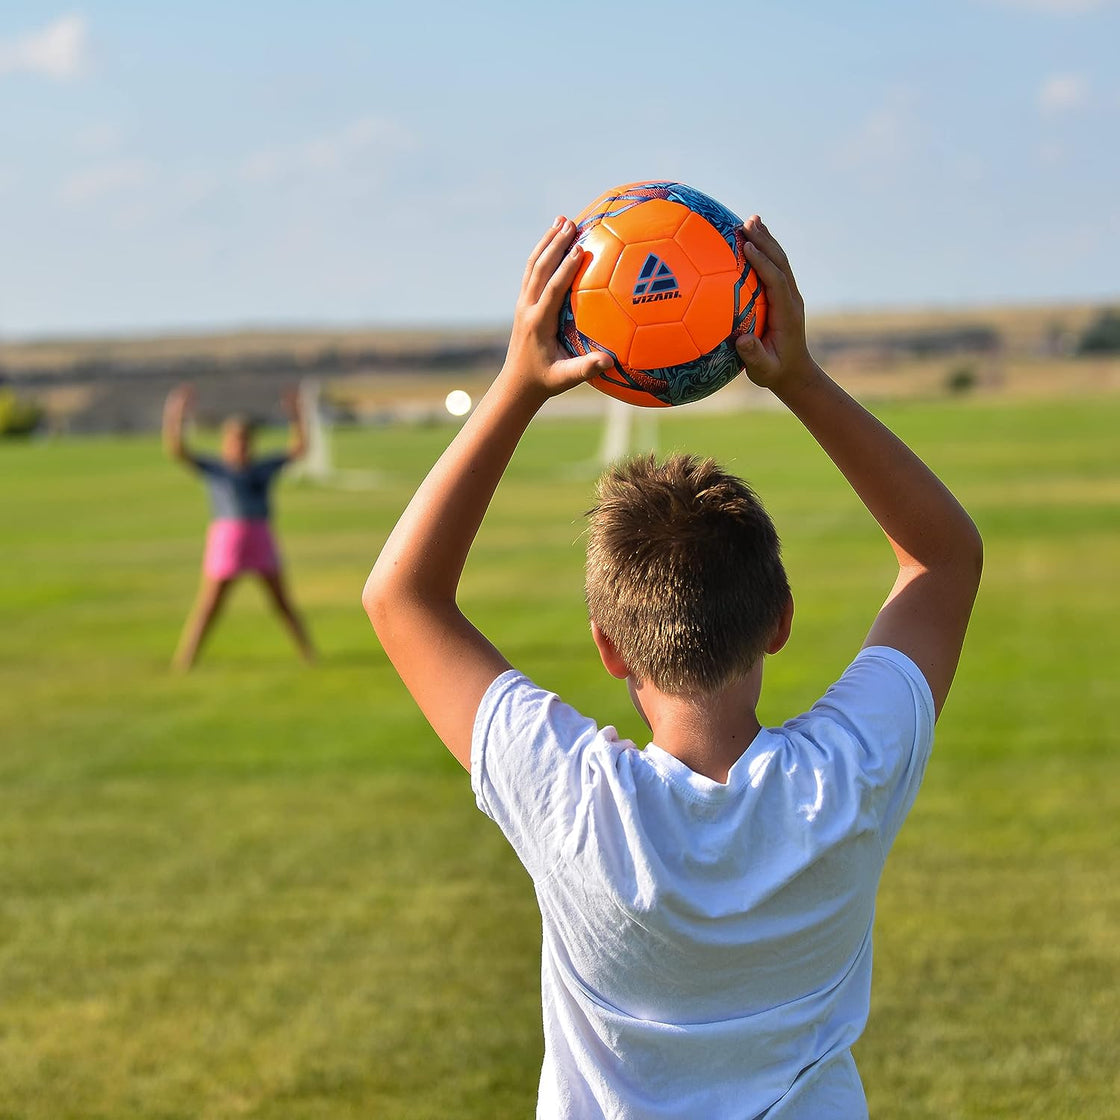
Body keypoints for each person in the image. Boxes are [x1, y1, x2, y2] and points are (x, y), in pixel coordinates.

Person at [362, 215, 982, 1117]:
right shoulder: (847, 780)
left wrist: (517, 386)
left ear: (608, 647)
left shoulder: (574, 804)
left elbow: (401, 597)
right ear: (780, 622)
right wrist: (798, 376)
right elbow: (943, 560)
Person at [164, 384, 315, 671]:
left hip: (260, 538)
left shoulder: (262, 468)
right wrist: (176, 415)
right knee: (210, 605)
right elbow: (177, 451)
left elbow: (298, 449)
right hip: (227, 541)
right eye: (234, 440)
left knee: (282, 603)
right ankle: (186, 659)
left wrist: (297, 415)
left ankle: (307, 654)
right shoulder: (217, 469)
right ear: (225, 442)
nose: (240, 445)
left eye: (244, 440)